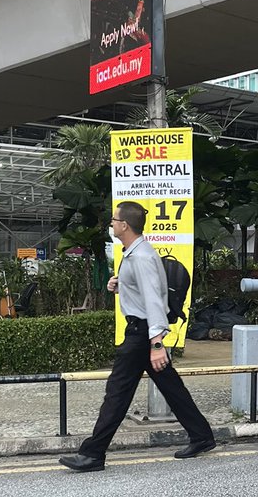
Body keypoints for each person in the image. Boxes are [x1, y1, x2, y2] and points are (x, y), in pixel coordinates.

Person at [59, 201, 215, 472]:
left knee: (117, 393)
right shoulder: (135, 253)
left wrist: (157, 344)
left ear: (124, 225)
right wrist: (119, 284)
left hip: (141, 335)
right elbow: (144, 291)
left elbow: (154, 300)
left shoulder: (141, 256)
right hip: (142, 332)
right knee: (171, 388)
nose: (111, 223)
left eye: (114, 220)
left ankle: (93, 453)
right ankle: (202, 436)